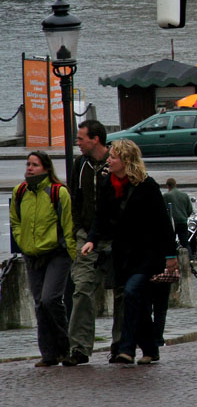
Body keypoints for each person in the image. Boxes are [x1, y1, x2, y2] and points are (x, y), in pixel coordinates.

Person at [82, 140, 178, 365]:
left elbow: (163, 223)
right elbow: (101, 216)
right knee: (139, 302)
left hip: (147, 254)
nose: (109, 160)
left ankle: (126, 349)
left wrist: (170, 256)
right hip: (123, 254)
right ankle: (150, 348)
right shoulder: (108, 183)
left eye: (113, 157)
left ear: (126, 160)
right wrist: (92, 240)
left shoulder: (147, 185)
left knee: (132, 293)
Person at [10, 151, 75, 366]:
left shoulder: (58, 192)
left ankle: (65, 348)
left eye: (35, 164)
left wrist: (73, 254)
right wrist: (22, 241)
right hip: (32, 255)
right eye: (28, 164)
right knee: (39, 304)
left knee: (50, 299)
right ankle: (48, 354)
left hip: (56, 253)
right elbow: (15, 221)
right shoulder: (20, 192)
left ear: (45, 168)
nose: (30, 168)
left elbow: (68, 225)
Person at [65, 120, 112, 366]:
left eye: (81, 138)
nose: (78, 143)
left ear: (95, 139)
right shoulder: (80, 164)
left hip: (115, 236)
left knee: (123, 290)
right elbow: (75, 198)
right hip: (86, 235)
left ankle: (122, 346)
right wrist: (76, 231)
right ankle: (79, 348)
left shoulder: (116, 160)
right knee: (81, 288)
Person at [163, 177, 193, 251]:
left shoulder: (166, 196)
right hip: (183, 221)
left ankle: (174, 257)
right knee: (185, 242)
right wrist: (185, 216)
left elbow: (163, 210)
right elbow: (190, 209)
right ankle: (189, 258)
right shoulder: (184, 195)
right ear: (175, 184)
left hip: (172, 223)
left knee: (170, 242)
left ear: (167, 186)